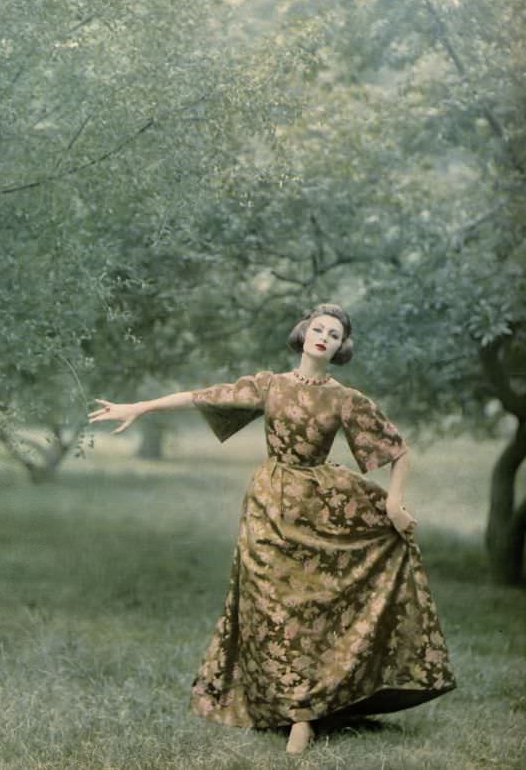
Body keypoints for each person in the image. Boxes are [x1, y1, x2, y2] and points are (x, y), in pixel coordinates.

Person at [88, 303, 456, 754]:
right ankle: (295, 713)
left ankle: (311, 706)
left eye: (334, 334)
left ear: (341, 347)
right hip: (267, 505)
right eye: (318, 329)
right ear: (303, 334)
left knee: (312, 605)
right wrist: (140, 406)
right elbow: (204, 395)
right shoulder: (270, 385)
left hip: (322, 505)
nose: (324, 337)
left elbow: (398, 450)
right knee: (269, 604)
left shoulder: (345, 398)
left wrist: (395, 503)